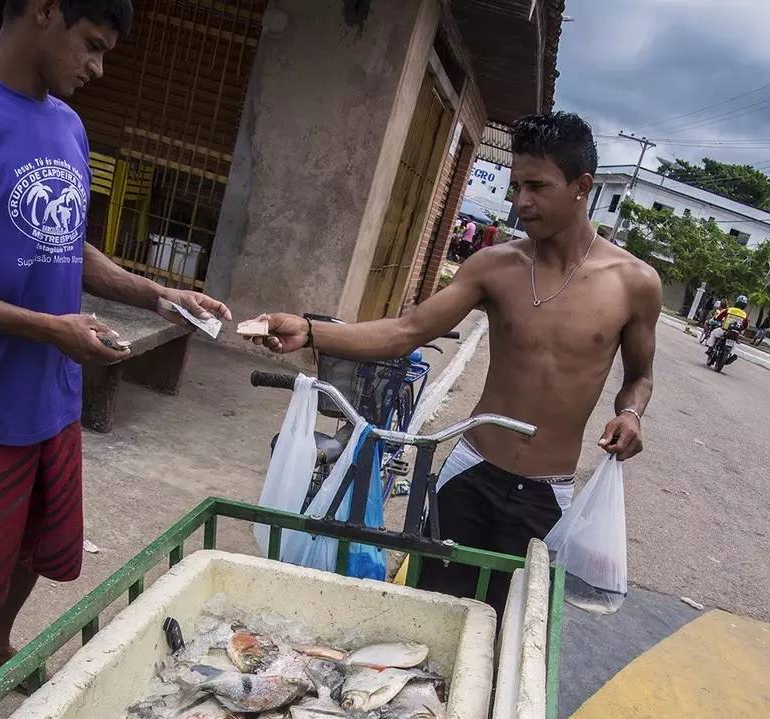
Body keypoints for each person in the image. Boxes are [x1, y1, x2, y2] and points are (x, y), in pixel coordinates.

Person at [243, 111, 661, 608]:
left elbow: (640, 377)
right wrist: (312, 332)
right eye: (515, 187)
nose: (521, 202)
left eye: (537, 186)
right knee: (426, 608)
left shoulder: (634, 283)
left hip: (547, 495)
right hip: (471, 473)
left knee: (507, 628)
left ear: (581, 186)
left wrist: (631, 413)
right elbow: (405, 332)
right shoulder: (495, 267)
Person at [0, 0, 232, 685]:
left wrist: (157, 293)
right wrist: (49, 328)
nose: (98, 67)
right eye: (91, 45)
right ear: (43, 11)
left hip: (52, 395)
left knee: (42, 539)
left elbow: (66, 243)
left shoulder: (70, 126)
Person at [706, 294, 749, 365]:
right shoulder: (744, 314)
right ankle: (730, 355)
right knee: (733, 344)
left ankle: (710, 348)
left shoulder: (729, 310)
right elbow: (745, 325)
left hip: (724, 330)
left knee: (713, 333)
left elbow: (718, 317)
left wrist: (718, 320)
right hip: (735, 333)